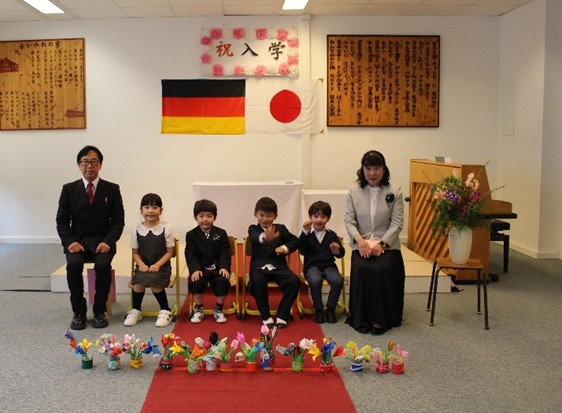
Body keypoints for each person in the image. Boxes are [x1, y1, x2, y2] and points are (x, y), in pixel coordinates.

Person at [56, 145, 125, 330]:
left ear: (100, 165)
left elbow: (118, 220)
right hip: (77, 241)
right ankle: (79, 311)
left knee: (102, 266)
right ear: (79, 165)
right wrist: (70, 242)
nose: (89, 166)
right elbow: (62, 221)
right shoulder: (69, 189)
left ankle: (99, 310)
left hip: (103, 241)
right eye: (85, 161)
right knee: (73, 265)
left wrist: (108, 241)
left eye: (94, 161)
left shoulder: (112, 189)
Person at [344, 150, 405, 335]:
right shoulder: (353, 191)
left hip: (387, 245)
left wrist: (382, 244)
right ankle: (361, 317)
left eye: (377, 168)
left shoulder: (395, 191)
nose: (372, 173)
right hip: (361, 243)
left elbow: (397, 223)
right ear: (362, 169)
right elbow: (349, 221)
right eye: (368, 168)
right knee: (362, 269)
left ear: (384, 169)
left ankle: (381, 319)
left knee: (380, 270)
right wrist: (360, 240)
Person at [247, 197, 300, 329]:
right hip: (259, 268)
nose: (265, 219)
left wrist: (284, 248)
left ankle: (282, 314)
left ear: (275, 215)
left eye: (269, 215)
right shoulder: (253, 229)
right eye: (261, 215)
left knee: (294, 280)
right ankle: (265, 316)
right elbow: (255, 238)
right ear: (255, 214)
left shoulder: (281, 229)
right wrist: (265, 237)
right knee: (257, 280)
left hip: (278, 267)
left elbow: (294, 241)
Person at [124, 193, 175, 327]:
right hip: (143, 266)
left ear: (161, 211)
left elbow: (170, 252)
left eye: (155, 207)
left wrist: (157, 264)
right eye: (146, 207)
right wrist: (141, 264)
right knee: (138, 284)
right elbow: (135, 253)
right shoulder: (137, 228)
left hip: (162, 266)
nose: (151, 211)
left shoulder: (166, 228)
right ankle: (136, 310)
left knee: (154, 283)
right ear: (141, 210)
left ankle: (165, 310)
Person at [298, 201, 345, 324]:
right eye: (316, 216)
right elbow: (301, 250)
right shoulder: (307, 234)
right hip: (312, 266)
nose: (319, 220)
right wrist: (305, 231)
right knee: (315, 280)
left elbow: (341, 254)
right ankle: (318, 309)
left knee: (338, 280)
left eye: (323, 217)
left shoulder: (332, 235)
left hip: (328, 266)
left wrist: (336, 250)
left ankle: (330, 309)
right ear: (310, 217)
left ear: (328, 218)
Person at [185, 199, 232, 324]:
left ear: (214, 217)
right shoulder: (191, 235)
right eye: (201, 216)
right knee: (196, 281)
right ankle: (199, 309)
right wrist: (195, 269)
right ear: (195, 217)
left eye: (209, 216)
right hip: (201, 268)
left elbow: (225, 252)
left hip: (217, 267)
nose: (205, 219)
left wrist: (224, 267)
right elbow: (190, 254)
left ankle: (218, 309)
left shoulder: (221, 233)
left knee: (223, 280)